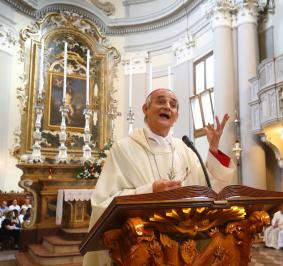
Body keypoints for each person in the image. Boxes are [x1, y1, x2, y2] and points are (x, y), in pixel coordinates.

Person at [83, 88, 236, 266]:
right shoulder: (123, 149)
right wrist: (151, 190)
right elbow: (103, 202)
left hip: (186, 247)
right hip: (143, 248)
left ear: (177, 116)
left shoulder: (184, 149)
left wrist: (214, 151)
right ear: (145, 109)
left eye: (173, 105)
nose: (167, 107)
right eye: (161, 101)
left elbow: (209, 188)